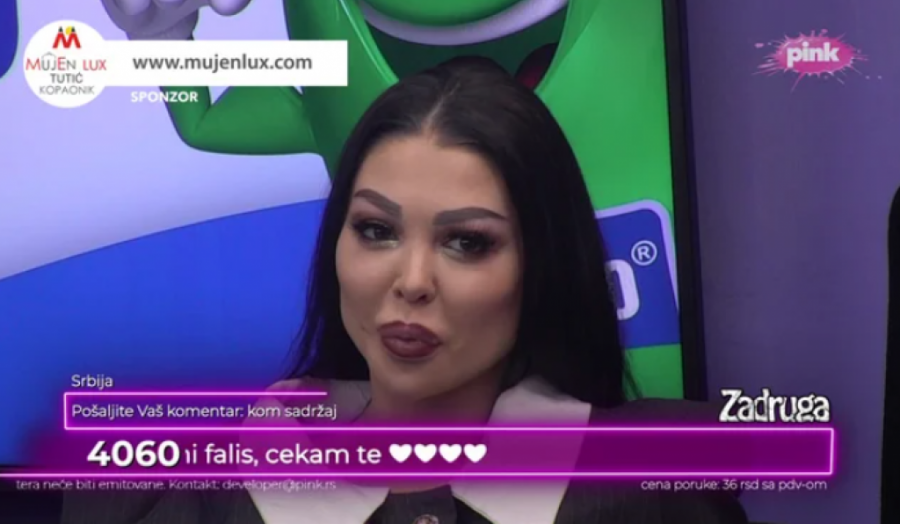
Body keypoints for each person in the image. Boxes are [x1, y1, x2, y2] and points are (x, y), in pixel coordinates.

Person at [61, 57, 748, 523]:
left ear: (542, 264)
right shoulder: (178, 494)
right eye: (376, 230)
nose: (412, 281)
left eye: (466, 242)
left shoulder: (659, 485)